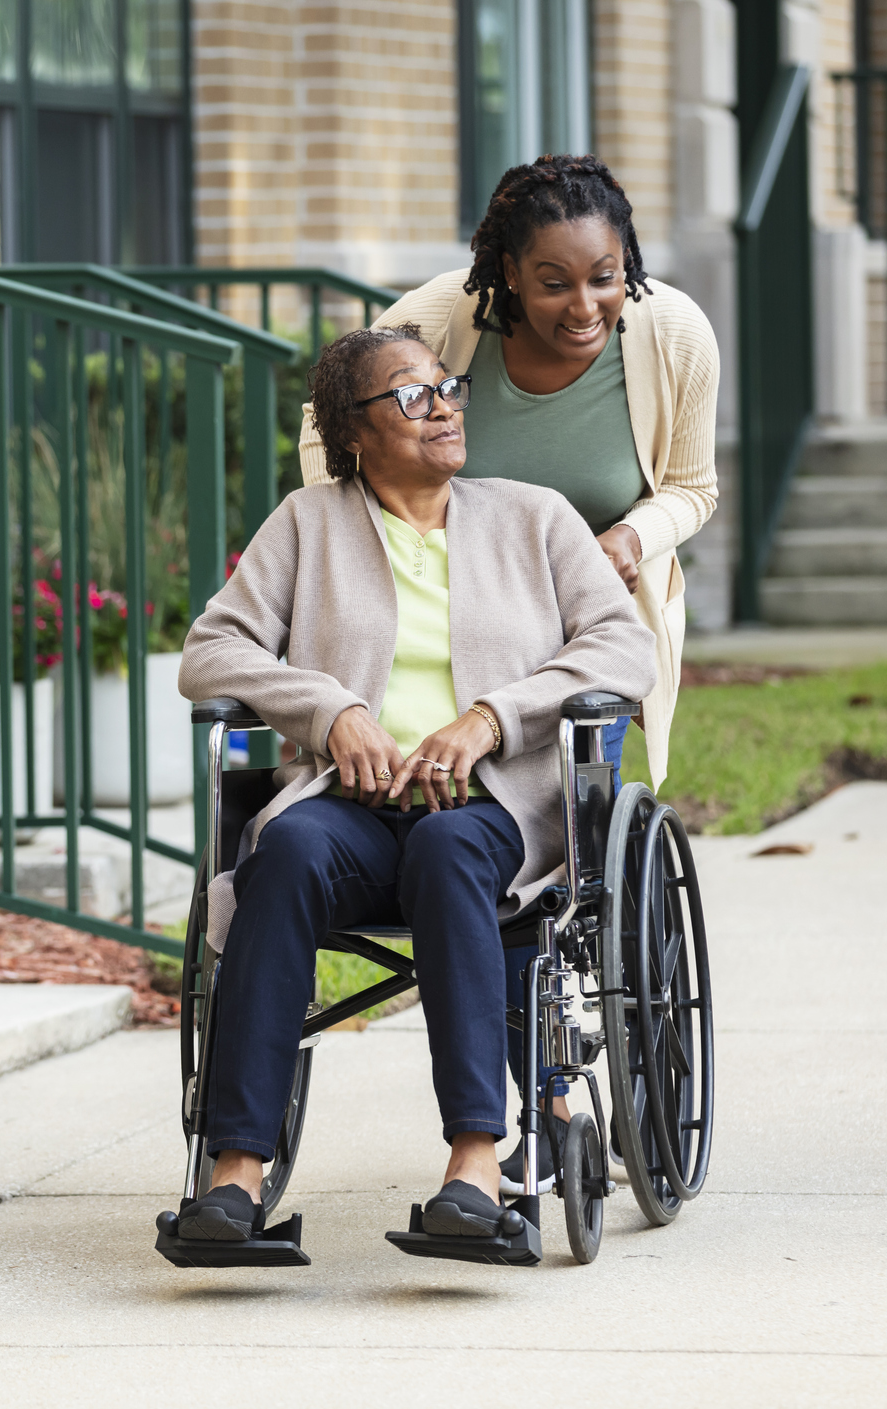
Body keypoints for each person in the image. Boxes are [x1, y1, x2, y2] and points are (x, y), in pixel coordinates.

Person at [172, 325, 655, 1244]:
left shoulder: (533, 516)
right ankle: (233, 1174)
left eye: (445, 388)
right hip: (349, 809)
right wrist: (330, 710)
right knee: (283, 853)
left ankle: (477, 1161)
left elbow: (620, 644)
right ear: (351, 434)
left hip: (493, 806)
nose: (441, 407)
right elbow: (210, 651)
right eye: (410, 395)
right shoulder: (307, 523)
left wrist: (491, 718)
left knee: (444, 849)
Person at [299, 154, 720, 1190]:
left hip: (580, 639)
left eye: (606, 276)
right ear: (505, 276)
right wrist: (374, 539)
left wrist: (631, 538)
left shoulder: (671, 337)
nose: (586, 304)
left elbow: (695, 485)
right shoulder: (442, 323)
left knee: (552, 840)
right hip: (446, 627)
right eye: (555, 281)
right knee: (471, 847)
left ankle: (555, 1095)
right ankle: (537, 1105)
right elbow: (331, 428)